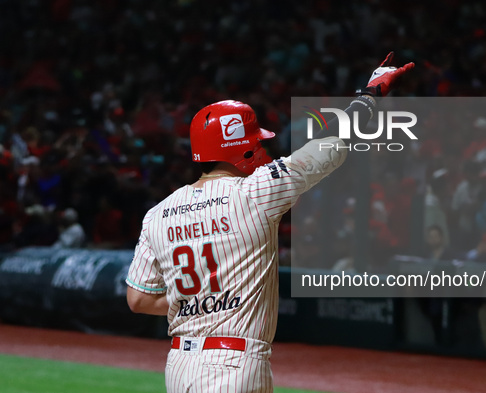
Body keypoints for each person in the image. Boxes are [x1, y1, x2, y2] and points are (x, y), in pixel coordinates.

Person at [125, 53, 414, 392]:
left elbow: (138, 300)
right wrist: (369, 95)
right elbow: (330, 143)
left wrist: (193, 300)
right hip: (234, 365)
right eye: (257, 142)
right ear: (243, 151)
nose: (263, 148)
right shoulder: (256, 191)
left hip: (179, 366)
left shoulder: (158, 213)